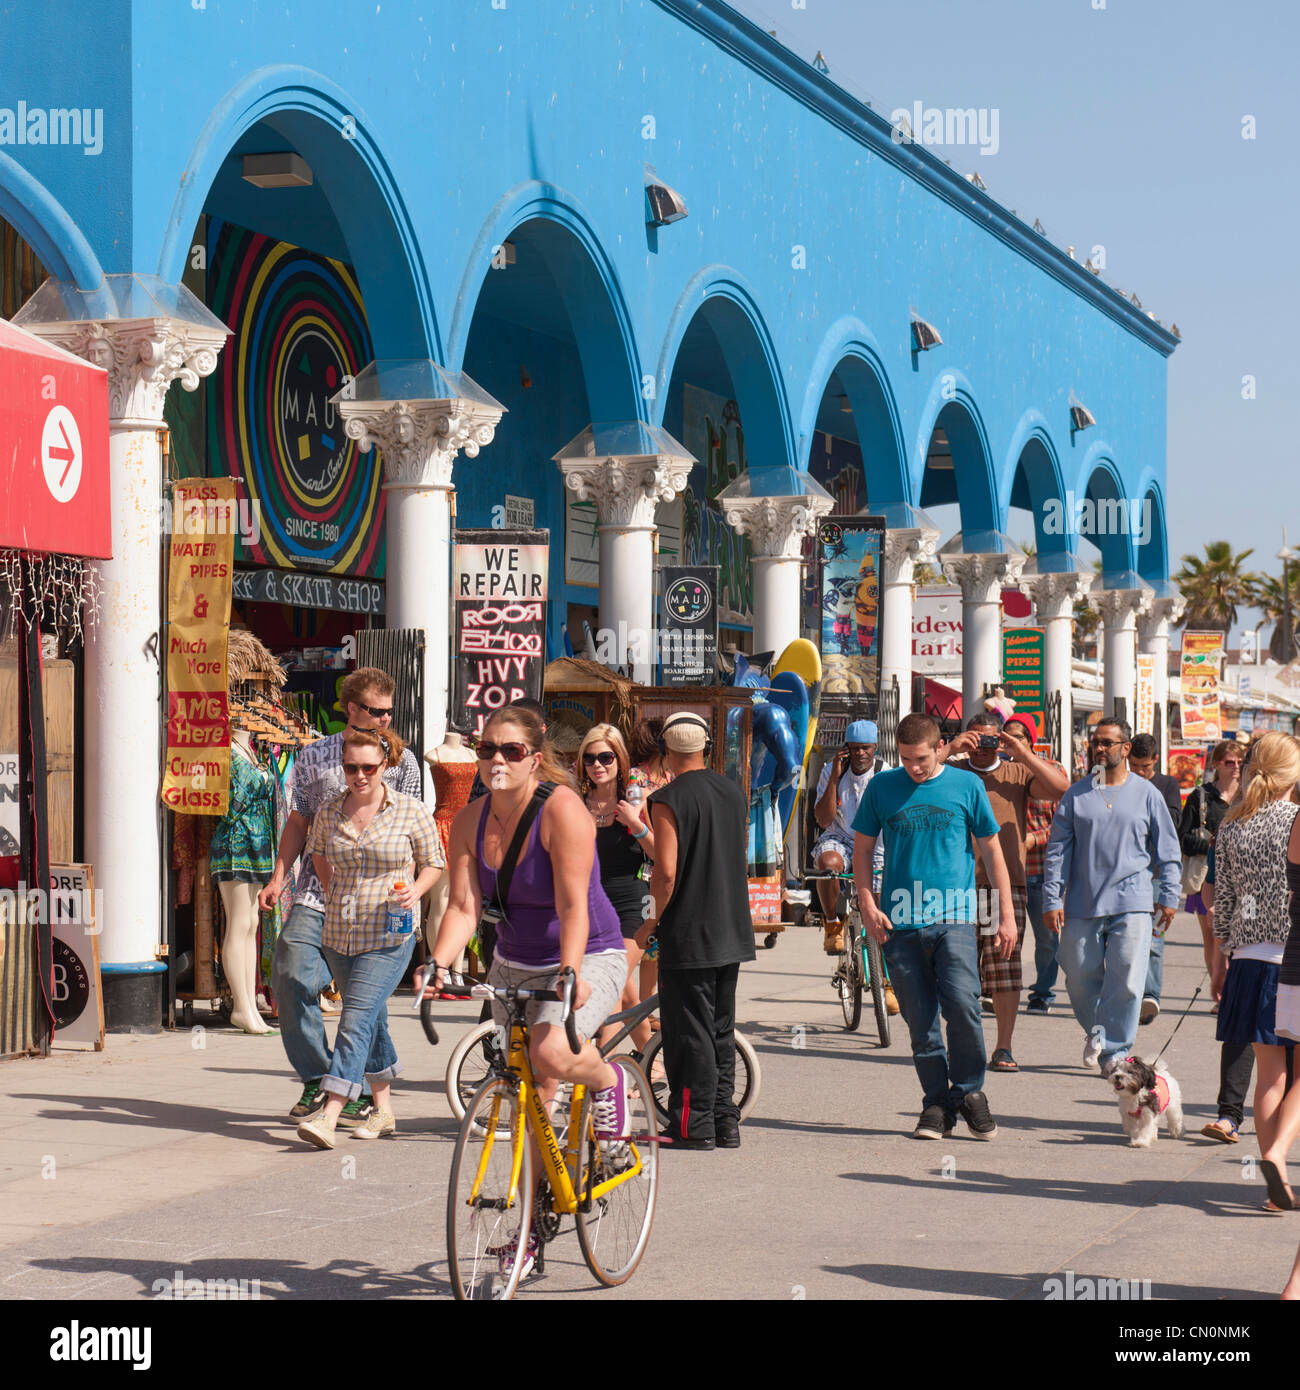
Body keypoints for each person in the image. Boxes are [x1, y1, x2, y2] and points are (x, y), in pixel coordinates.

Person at [424, 705, 630, 1271]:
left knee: (550, 1053)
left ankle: (607, 1080)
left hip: (587, 953)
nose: (496, 759)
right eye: (487, 749)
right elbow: (463, 907)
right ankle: (532, 1226)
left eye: (510, 750)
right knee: (527, 1098)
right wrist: (437, 962)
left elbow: (573, 905)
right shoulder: (469, 821)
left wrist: (570, 972)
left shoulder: (562, 810)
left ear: (534, 759)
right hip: (511, 964)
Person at [259, 667, 424, 1124]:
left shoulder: (404, 762)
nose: (385, 719)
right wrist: (277, 877)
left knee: (362, 997)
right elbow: (298, 821)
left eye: (389, 712)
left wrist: (406, 895)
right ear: (351, 709)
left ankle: (357, 1091)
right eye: (376, 710)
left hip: (377, 899)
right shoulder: (313, 757)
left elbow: (413, 832)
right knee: (290, 974)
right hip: (317, 893)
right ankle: (320, 1076)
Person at [852, 711, 1017, 1141]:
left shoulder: (966, 786)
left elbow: (992, 850)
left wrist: (1006, 914)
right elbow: (862, 850)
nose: (914, 767)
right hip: (899, 922)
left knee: (963, 1004)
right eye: (906, 759)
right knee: (921, 1022)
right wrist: (867, 903)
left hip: (955, 917)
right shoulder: (882, 787)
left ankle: (969, 1091)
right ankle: (937, 1105)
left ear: (940, 747)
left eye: (922, 758)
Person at [295, 727, 443, 1147]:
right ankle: (384, 1111)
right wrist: (333, 891)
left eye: (368, 768)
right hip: (340, 933)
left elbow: (434, 862)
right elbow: (318, 854)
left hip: (390, 934)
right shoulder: (328, 812)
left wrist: (414, 890)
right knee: (371, 1017)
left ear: (385, 766)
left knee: (355, 1017)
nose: (359, 775)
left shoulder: (410, 811)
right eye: (351, 768)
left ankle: (331, 1111)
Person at [634, 711, 755, 1150]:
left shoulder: (668, 798)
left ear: (666, 750)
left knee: (690, 1033)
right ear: (705, 747)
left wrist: (650, 922)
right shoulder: (733, 792)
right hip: (731, 925)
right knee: (720, 1029)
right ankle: (725, 1121)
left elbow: (665, 873)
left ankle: (693, 1124)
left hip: (689, 930)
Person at [1042, 716, 1181, 1076]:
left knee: (1127, 980)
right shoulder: (1076, 795)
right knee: (1077, 974)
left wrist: (1169, 894)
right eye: (1095, 742)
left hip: (1133, 901)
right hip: (1082, 902)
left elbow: (1168, 848)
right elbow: (1057, 850)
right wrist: (1052, 898)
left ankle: (1115, 1052)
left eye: (1107, 742)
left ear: (1126, 748)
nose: (1099, 748)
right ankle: (1098, 1031)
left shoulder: (1147, 794)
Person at [944, 710, 1069, 1072]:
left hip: (1004, 885)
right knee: (957, 969)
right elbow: (914, 772)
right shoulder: (951, 770)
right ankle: (962, 1045)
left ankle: (1003, 1047)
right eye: (976, 738)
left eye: (990, 738)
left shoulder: (1016, 772)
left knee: (1004, 968)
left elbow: (1061, 789)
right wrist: (952, 747)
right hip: (957, 884)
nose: (982, 746)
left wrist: (1022, 752)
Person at [1210, 731, 1299, 1212]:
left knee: (1269, 1077)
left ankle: (1274, 1178)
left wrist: (1220, 958)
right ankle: (1279, 1155)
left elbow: (1223, 901)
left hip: (1247, 958)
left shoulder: (1232, 825)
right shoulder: (1294, 820)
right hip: (1291, 956)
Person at [577, 723, 655, 1049]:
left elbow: (661, 853)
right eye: (590, 758)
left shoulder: (639, 799)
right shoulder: (577, 803)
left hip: (634, 903)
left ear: (620, 759)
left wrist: (635, 824)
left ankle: (602, 1064)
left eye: (605, 757)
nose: (597, 765)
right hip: (592, 905)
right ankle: (652, 1062)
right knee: (626, 992)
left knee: (611, 982)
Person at [1001, 715, 1067, 1017]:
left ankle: (1042, 993)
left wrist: (1033, 839)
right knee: (1001, 937)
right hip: (1003, 872)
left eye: (1018, 736)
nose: (1011, 742)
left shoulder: (1052, 771)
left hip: (1041, 871)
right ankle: (998, 990)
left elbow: (1065, 824)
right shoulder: (998, 770)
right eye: (1006, 735)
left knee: (1047, 940)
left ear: (1030, 740)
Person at [811, 720, 883, 954]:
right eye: (854, 748)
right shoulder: (831, 771)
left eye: (865, 748)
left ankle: (882, 970)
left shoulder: (886, 773)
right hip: (840, 837)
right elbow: (824, 820)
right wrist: (834, 776)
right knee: (828, 863)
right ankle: (833, 924)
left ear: (875, 747)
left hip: (875, 843)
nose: (860, 753)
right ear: (846, 748)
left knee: (879, 910)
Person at [1126, 732, 1183, 1023]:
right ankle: (1129, 995)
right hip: (1127, 874)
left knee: (1154, 939)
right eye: (1134, 766)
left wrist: (1146, 793)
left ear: (1156, 761)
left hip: (1158, 875)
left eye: (1145, 767)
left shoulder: (1167, 785)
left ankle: (1150, 996)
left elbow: (1172, 822)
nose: (1139, 772)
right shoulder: (1119, 783)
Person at [1179, 740, 1242, 999]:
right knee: (1213, 939)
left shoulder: (1248, 795)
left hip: (1241, 880)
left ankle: (1233, 993)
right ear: (1217, 764)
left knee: (1240, 940)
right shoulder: (1201, 796)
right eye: (1230, 762)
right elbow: (1183, 838)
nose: (1236, 767)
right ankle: (1221, 996)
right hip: (1207, 879)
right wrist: (1213, 844)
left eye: (1240, 762)